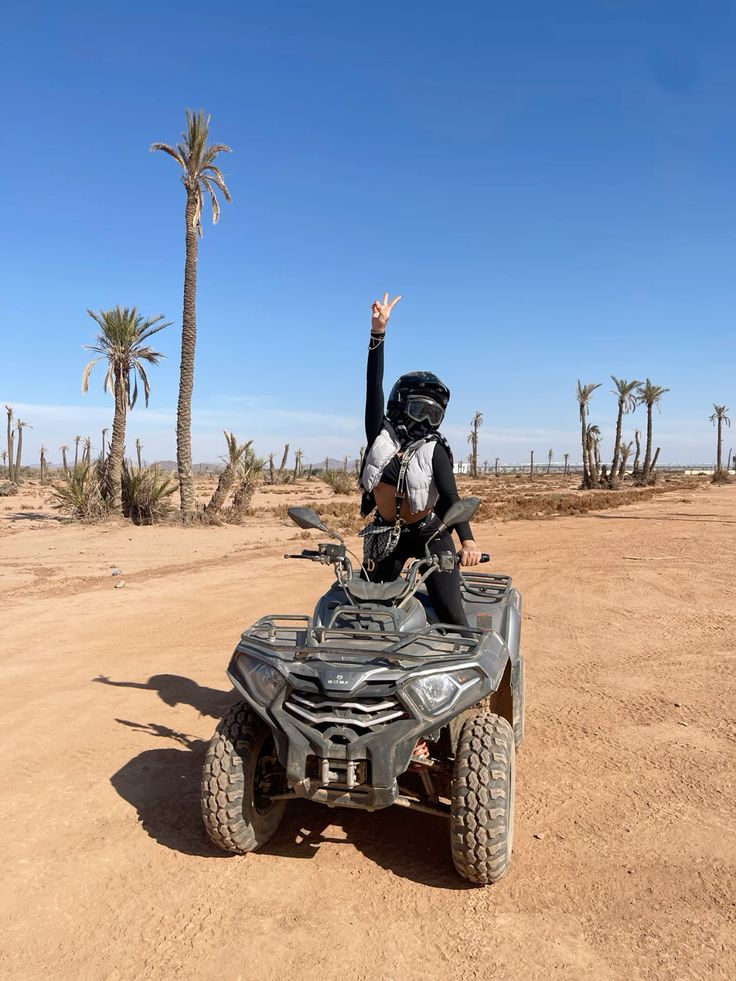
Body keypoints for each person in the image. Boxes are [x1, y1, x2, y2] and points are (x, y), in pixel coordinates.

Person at [359, 292, 484, 627]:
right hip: (385, 536)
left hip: (429, 534)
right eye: (420, 411)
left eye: (434, 415)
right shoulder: (380, 436)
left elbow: (451, 499)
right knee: (365, 613)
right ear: (400, 405)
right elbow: (373, 385)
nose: (426, 422)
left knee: (452, 615)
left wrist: (468, 541)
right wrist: (378, 333)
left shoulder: (435, 449)